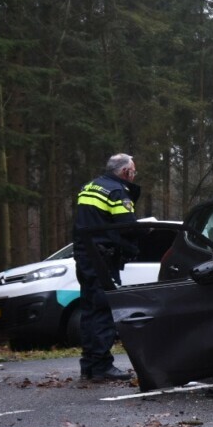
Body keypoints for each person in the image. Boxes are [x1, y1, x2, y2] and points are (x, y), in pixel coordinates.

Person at [73, 153, 140, 381]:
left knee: (89, 311)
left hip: (84, 256)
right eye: (133, 171)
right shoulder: (117, 191)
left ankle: (89, 365)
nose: (134, 175)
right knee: (103, 311)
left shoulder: (88, 188)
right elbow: (128, 227)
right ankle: (103, 366)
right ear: (125, 172)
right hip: (103, 258)